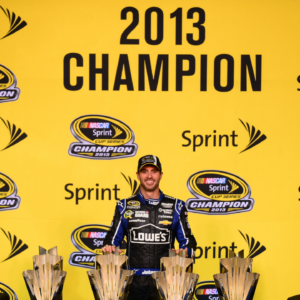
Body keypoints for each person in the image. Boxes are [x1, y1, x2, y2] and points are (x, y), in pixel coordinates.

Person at [102, 155, 197, 300]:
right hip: (132, 286)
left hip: (166, 286)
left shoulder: (176, 206)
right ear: (138, 175)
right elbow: (112, 239)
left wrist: (185, 251)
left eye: (154, 171)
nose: (149, 176)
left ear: (161, 175)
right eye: (144, 171)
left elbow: (188, 241)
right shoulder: (124, 206)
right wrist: (109, 247)